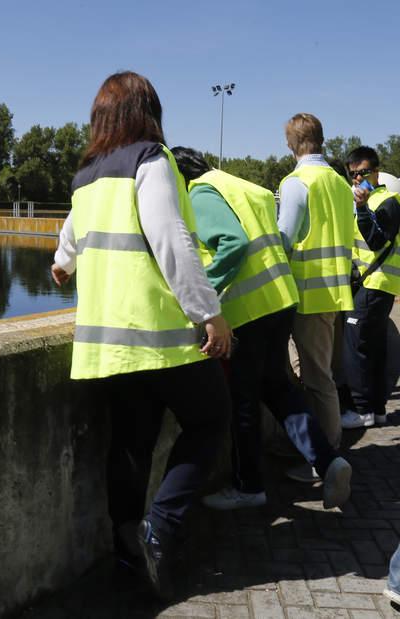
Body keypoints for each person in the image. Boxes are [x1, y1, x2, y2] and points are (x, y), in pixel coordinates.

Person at [54, 71, 232, 600]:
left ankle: (127, 551)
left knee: (131, 445)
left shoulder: (87, 176)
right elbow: (172, 241)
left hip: (108, 344)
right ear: (148, 112)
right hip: (158, 334)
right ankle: (160, 526)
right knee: (211, 419)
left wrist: (62, 264)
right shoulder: (151, 160)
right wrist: (209, 313)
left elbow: (71, 236)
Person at [168, 147, 351, 511]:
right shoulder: (242, 185)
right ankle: (329, 460)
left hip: (249, 310)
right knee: (278, 388)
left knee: (243, 401)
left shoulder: (199, 192)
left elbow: (232, 244)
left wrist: (201, 294)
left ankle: (248, 485)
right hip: (280, 298)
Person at [277, 114, 354, 481]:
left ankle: (325, 457)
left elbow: (284, 239)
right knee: (315, 372)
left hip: (306, 292)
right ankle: (318, 446)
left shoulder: (297, 183)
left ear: (291, 144)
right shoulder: (339, 182)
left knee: (318, 377)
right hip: (333, 290)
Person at [340, 146, 400, 429]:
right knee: (373, 347)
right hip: (373, 283)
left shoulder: (386, 201)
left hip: (375, 284)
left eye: (363, 172)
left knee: (356, 348)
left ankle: (361, 410)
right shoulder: (369, 200)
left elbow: (377, 241)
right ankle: (377, 410)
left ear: (376, 172)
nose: (357, 179)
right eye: (353, 174)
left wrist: (362, 208)